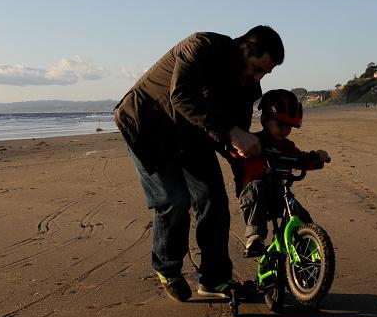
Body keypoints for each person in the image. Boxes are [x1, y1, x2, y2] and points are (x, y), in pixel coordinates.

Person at [114, 25, 283, 302]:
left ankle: (214, 280)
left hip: (193, 136)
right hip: (147, 125)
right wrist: (232, 133)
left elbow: (236, 142)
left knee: (214, 199)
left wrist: (250, 182)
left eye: (264, 73)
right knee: (174, 200)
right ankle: (168, 269)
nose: (257, 77)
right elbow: (182, 95)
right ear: (243, 47)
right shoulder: (201, 46)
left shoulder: (248, 88)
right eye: (256, 68)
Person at [225, 89, 331, 257]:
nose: (285, 130)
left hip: (279, 194)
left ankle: (310, 251)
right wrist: (238, 147)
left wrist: (317, 157)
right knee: (258, 185)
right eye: (280, 125)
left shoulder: (287, 146)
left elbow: (302, 159)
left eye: (289, 126)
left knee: (300, 213)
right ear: (265, 119)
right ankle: (254, 237)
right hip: (253, 196)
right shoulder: (254, 142)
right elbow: (234, 151)